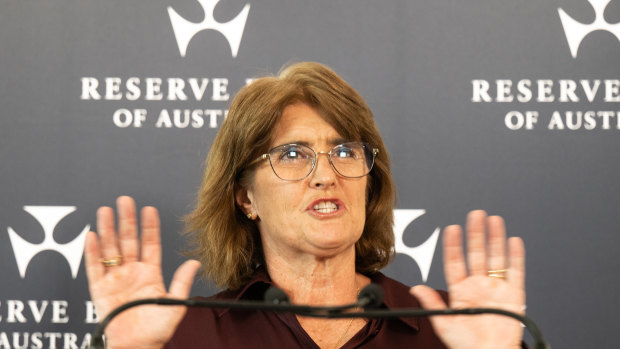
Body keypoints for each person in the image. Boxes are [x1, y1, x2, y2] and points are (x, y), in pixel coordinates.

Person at [84, 62, 526, 349]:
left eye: (345, 151)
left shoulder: (451, 330)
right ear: (245, 197)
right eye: (292, 155)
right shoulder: (192, 335)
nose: (325, 174)